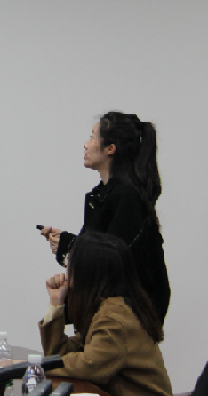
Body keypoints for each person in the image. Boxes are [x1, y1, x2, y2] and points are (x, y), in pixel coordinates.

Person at [40, 111, 169, 323]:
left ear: (110, 149)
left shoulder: (127, 198)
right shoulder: (104, 196)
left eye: (92, 137)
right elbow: (100, 252)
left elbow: (111, 262)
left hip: (124, 325)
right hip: (107, 320)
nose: (86, 144)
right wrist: (66, 244)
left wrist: (69, 245)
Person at [40, 231, 172, 396]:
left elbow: (89, 365)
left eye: (70, 260)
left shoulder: (115, 317)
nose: (67, 267)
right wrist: (56, 303)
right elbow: (60, 354)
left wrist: (36, 366)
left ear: (88, 270)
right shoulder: (109, 307)